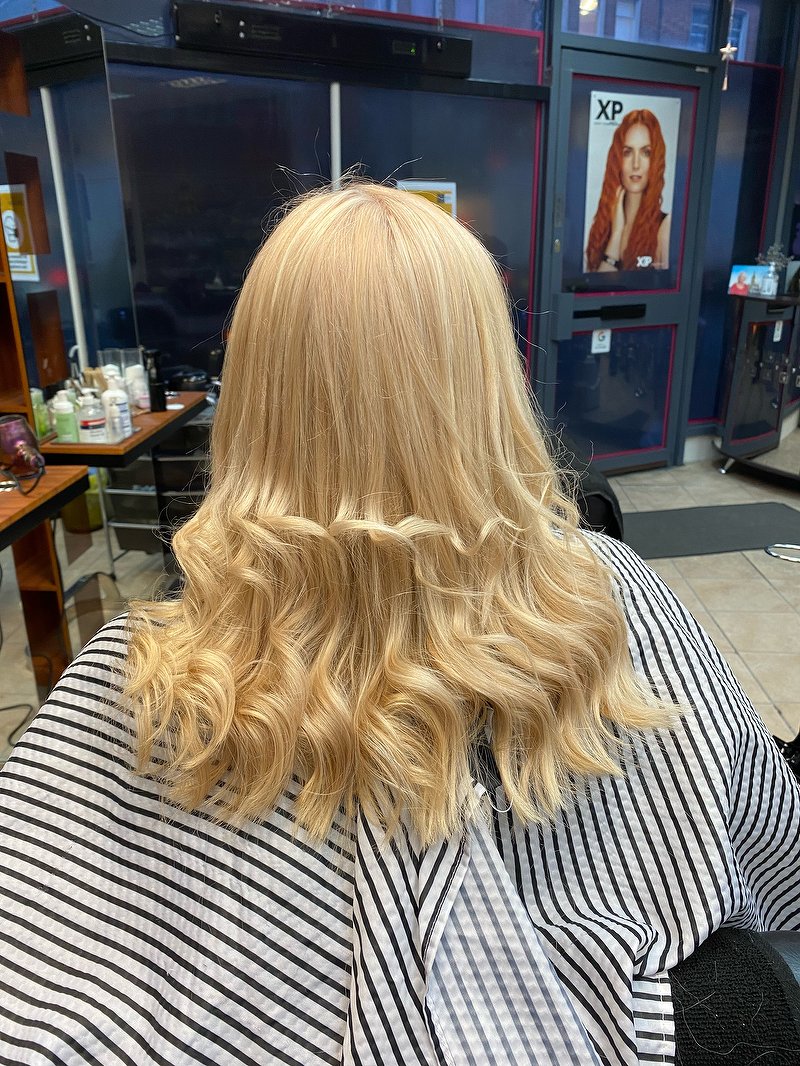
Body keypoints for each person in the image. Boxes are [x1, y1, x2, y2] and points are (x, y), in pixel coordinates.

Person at [0, 183, 798, 1066]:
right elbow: (769, 846)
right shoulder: (608, 590)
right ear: (489, 378)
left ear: (256, 394)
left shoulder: (132, 669)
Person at [585, 108, 671, 273]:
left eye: (646, 153)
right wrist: (617, 233)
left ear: (655, 160)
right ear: (617, 159)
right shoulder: (603, 225)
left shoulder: (664, 227)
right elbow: (598, 286)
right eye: (627, 152)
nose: (636, 164)